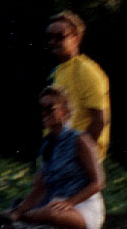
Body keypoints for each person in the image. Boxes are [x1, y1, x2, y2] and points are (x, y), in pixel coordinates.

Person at [5, 86, 106, 229]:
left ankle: (15, 219)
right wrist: (19, 209)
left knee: (50, 213)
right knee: (21, 205)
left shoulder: (80, 140)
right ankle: (15, 216)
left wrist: (70, 202)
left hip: (83, 209)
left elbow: (98, 182)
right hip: (56, 204)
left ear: (63, 111)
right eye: (42, 109)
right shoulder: (47, 145)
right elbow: (40, 188)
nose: (44, 113)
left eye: (50, 108)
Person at [46, 10, 110, 160]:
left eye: (59, 36)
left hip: (77, 164)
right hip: (58, 160)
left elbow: (100, 120)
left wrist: (76, 157)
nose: (53, 41)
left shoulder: (86, 70)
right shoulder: (58, 72)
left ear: (76, 38)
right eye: (50, 37)